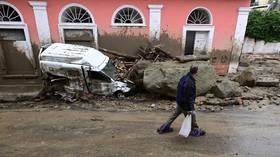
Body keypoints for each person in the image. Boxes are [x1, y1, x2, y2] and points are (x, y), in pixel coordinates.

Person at [157, 64, 206, 136]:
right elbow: (188, 96)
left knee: (174, 115)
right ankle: (194, 130)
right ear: (196, 72)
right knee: (192, 117)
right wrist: (191, 108)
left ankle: (164, 128)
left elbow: (179, 89)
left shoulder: (184, 77)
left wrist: (179, 100)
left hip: (180, 102)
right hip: (185, 104)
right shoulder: (190, 82)